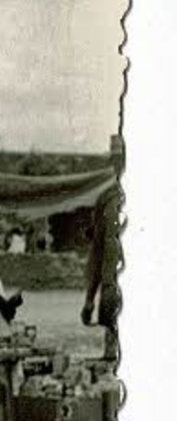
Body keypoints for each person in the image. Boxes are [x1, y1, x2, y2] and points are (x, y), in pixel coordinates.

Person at [81, 137, 123, 364]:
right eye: (116, 159)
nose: (120, 164)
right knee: (110, 369)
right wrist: (89, 299)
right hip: (111, 294)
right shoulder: (106, 199)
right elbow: (97, 252)